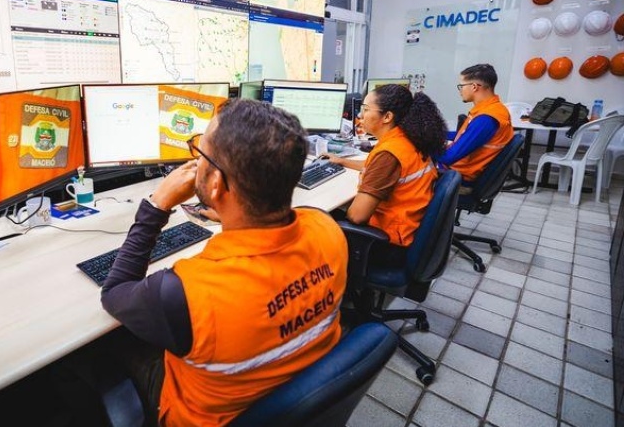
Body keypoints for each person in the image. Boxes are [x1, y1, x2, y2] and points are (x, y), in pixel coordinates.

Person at [100, 99, 348, 426]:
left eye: (200, 153)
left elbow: (114, 292)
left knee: (98, 350)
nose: (195, 160)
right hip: (293, 386)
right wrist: (231, 212)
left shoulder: (189, 293)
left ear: (216, 183)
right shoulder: (327, 229)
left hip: (200, 414)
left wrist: (157, 205)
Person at [325, 84, 447, 265]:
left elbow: (357, 216)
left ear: (387, 117)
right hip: (407, 230)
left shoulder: (389, 154)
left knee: (320, 218)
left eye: (366, 109)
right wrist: (342, 161)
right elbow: (374, 168)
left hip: (386, 243)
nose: (360, 116)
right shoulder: (406, 140)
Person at [437, 64, 514, 185]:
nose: (460, 90)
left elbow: (448, 158)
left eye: (461, 86)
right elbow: (466, 135)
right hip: (459, 171)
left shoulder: (486, 119)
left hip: (458, 177)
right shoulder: (494, 109)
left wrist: (424, 147)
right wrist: (437, 134)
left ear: (474, 87)